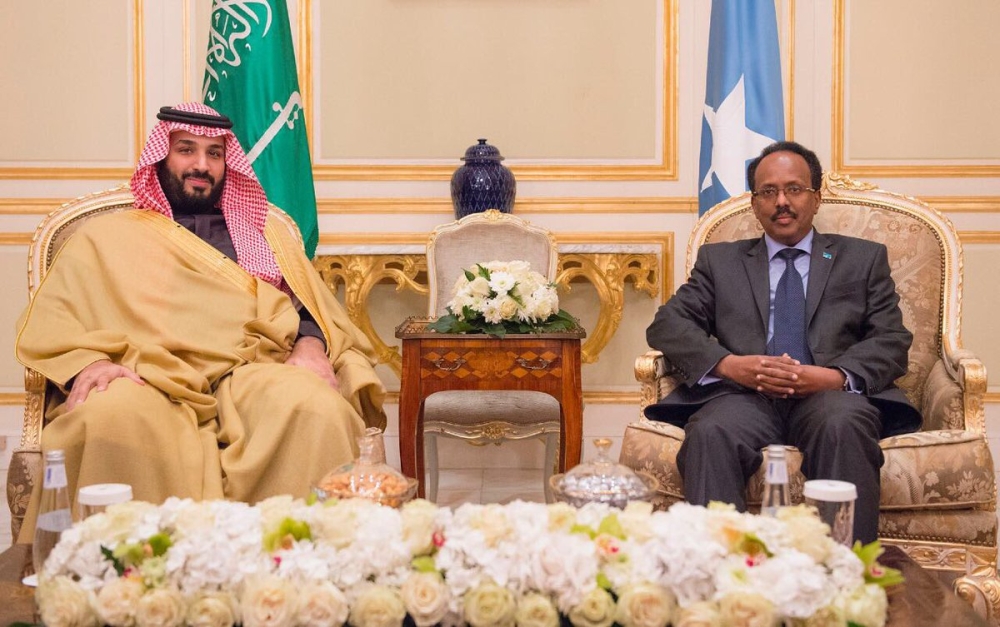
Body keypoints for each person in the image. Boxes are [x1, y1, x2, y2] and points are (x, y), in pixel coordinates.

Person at [15, 102, 386, 540]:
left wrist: (310, 347)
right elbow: (59, 315)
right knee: (107, 418)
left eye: (214, 154)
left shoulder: (265, 234)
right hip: (145, 374)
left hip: (251, 371)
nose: (201, 165)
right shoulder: (106, 236)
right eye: (186, 149)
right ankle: (131, 570)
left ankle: (297, 565)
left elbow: (308, 306)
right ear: (161, 156)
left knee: (315, 408)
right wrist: (90, 363)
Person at [644, 141, 921, 543]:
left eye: (794, 189)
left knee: (843, 424)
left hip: (829, 396)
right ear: (754, 204)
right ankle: (721, 570)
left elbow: (892, 338)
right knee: (711, 431)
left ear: (816, 198)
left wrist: (833, 377)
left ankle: (846, 570)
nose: (782, 202)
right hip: (743, 397)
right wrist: (729, 365)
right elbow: (668, 325)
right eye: (768, 192)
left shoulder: (862, 259)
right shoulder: (720, 261)